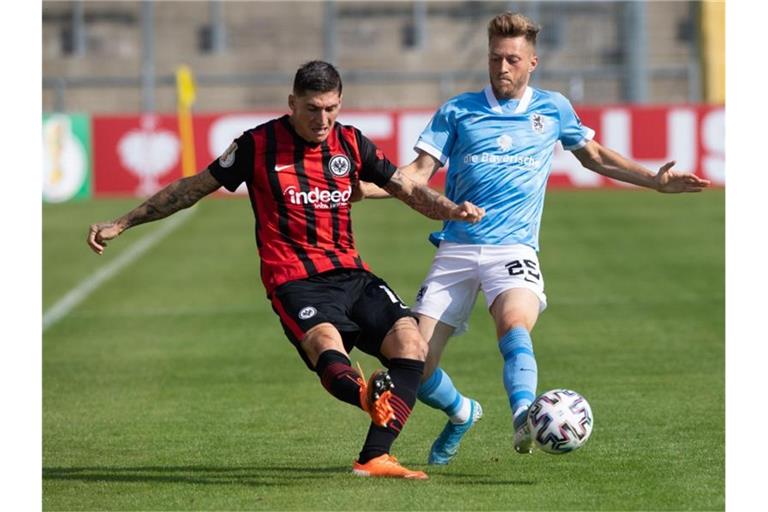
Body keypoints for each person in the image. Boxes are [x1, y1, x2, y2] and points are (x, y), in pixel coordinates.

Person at [86, 60, 485, 479]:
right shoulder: (257, 145)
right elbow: (192, 188)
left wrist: (452, 210)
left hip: (351, 273)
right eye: (313, 108)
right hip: (294, 281)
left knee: (412, 345)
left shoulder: (350, 143)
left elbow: (408, 190)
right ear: (292, 103)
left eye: (331, 108)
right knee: (325, 345)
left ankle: (374, 457)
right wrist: (123, 222)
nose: (323, 119)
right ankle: (365, 396)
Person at [356, 12, 710, 464]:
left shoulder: (553, 108)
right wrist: (364, 189)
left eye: (512, 59)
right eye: (495, 58)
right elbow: (417, 174)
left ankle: (525, 413)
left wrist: (653, 180)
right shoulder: (458, 110)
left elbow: (595, 155)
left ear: (532, 62)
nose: (502, 67)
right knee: (414, 363)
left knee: (514, 324)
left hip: (513, 248)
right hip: (458, 247)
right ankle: (462, 412)